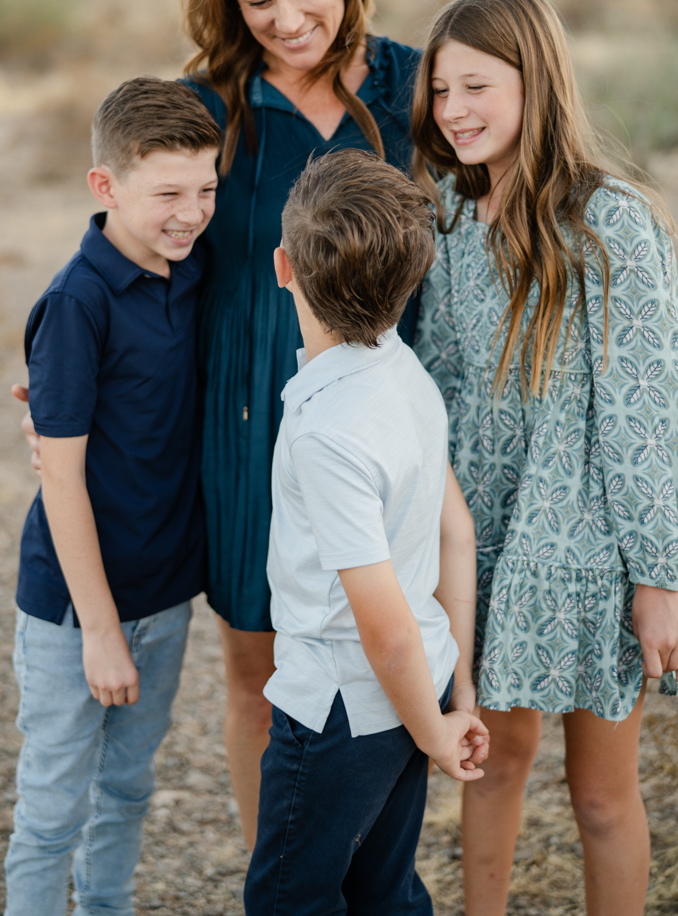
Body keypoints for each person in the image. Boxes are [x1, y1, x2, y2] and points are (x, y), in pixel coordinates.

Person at [17, 0, 429, 846]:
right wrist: (69, 357)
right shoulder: (210, 101)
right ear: (227, 2)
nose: (287, 20)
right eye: (257, 1)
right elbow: (135, 225)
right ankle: (274, 883)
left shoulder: (412, 85)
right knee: (259, 666)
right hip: (247, 425)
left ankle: (368, 878)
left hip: (382, 414)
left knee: (389, 655)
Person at [411, 0, 678, 916]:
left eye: (477, 86)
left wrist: (660, 575)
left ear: (537, 81)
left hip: (592, 553)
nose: (455, 112)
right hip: (481, 544)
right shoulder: (445, 218)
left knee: (601, 792)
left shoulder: (610, 225)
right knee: (494, 760)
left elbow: (646, 411)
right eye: (441, 92)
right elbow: (426, 381)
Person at [244, 149, 489, 916]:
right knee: (383, 891)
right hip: (423, 679)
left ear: (283, 266)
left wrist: (437, 731)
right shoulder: (403, 369)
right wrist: (456, 693)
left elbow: (379, 629)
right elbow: (458, 533)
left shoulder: (329, 428)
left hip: (344, 707)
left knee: (289, 896)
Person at [4, 79, 221, 916]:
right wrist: (99, 631)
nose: (191, 212)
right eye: (168, 192)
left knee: (128, 790)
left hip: (164, 595)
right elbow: (59, 476)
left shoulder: (193, 271)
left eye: (205, 189)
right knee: (54, 805)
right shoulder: (75, 303)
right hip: (74, 611)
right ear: (106, 187)